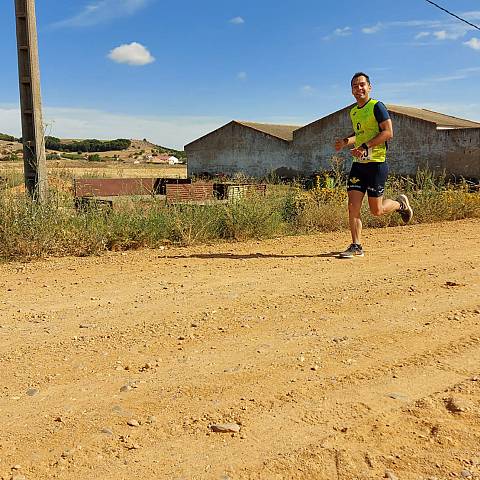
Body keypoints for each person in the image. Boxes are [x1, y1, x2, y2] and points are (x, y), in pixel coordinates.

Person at [334, 72, 413, 258]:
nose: (358, 88)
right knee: (353, 206)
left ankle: (400, 205)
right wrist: (346, 141)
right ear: (351, 91)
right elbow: (359, 133)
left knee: (376, 211)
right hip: (359, 165)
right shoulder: (353, 111)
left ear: (369, 87)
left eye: (362, 85)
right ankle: (356, 246)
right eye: (355, 86)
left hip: (376, 164)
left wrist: (365, 146)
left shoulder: (377, 106)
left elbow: (388, 132)